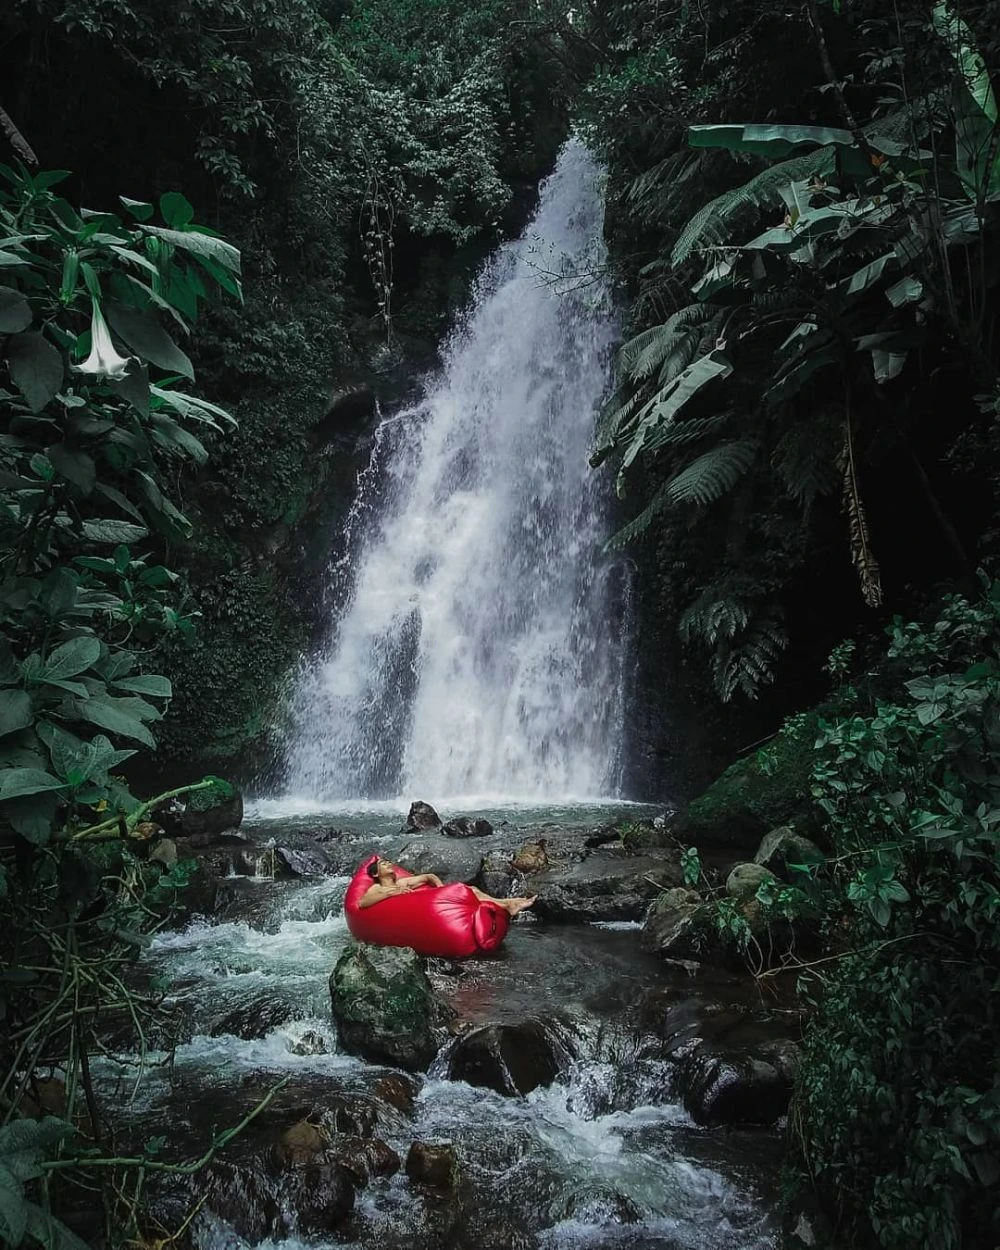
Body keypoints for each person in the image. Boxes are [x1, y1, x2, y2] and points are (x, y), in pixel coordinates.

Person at [358, 857, 536, 917]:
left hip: (433, 902)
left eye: (389, 862)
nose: (389, 864)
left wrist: (440, 888)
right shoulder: (378, 888)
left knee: (471, 890)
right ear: (376, 874)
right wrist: (391, 893)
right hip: (423, 912)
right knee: (469, 892)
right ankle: (508, 904)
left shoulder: (403, 882)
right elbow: (363, 903)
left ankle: (508, 903)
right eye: (384, 864)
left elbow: (429, 876)